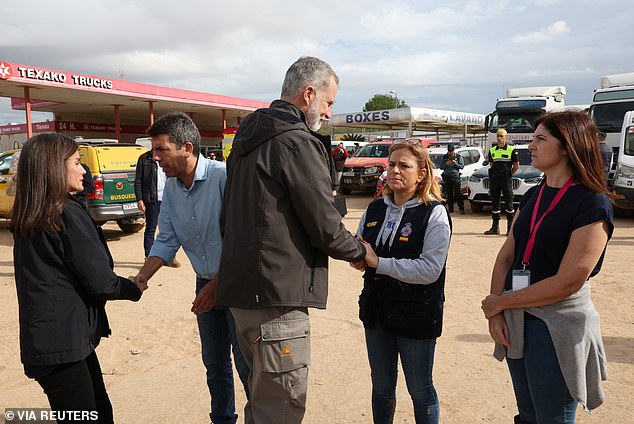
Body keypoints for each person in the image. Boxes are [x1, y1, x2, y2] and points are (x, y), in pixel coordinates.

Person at [216, 56, 366, 424]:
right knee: (281, 408)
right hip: (276, 299)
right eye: (329, 102)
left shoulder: (245, 140)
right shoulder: (297, 142)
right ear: (309, 93)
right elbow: (324, 225)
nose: (330, 112)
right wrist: (360, 250)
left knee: (262, 403)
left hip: (246, 296)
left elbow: (231, 215)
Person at [481, 111, 614, 424]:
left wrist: (499, 303)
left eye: (541, 139)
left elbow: (567, 282)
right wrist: (497, 313)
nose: (531, 146)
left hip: (556, 325)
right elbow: (506, 256)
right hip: (517, 319)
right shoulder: (532, 194)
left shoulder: (592, 203)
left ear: (567, 146)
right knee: (527, 416)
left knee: (552, 418)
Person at [11, 133, 145, 422]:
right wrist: (133, 287)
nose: (84, 170)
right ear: (54, 168)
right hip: (63, 346)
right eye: (77, 162)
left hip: (55, 342)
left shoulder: (33, 211)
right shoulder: (65, 213)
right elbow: (100, 281)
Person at [133, 112, 249, 424]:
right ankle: (223, 419)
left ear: (186, 147)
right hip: (206, 285)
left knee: (248, 365)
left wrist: (216, 287)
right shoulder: (171, 187)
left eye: (161, 150)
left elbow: (247, 241)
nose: (154, 157)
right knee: (214, 363)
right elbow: (167, 238)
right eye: (153, 150)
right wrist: (142, 276)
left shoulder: (225, 177)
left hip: (238, 287)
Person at [353, 141, 451, 424]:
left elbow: (430, 270)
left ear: (422, 174)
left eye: (404, 165)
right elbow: (363, 250)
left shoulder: (435, 213)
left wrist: (377, 263)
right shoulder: (374, 210)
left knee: (420, 390)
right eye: (391, 164)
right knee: (382, 389)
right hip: (376, 311)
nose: (394, 170)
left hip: (416, 314)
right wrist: (359, 258)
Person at [134, 148, 180, 267]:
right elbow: (138, 180)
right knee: (151, 228)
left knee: (170, 229)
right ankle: (148, 257)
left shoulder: (168, 156)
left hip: (168, 197)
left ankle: (170, 257)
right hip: (152, 199)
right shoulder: (144, 158)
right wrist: (139, 199)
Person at [484, 128, 519, 235]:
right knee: (495, 203)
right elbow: (491, 165)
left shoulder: (512, 150)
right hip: (495, 180)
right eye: (498, 136)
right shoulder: (492, 150)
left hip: (506, 180)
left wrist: (509, 174)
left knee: (509, 204)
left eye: (502, 136)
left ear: (505, 137)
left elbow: (516, 166)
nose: (499, 138)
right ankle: (495, 228)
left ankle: (510, 229)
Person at [440, 144, 464, 214]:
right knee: (449, 194)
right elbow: (441, 167)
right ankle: (450, 209)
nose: (450, 153)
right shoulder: (445, 157)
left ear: (453, 151)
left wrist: (455, 164)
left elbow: (462, 166)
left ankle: (461, 208)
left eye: (451, 151)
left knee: (457, 193)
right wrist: (447, 164)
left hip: (455, 177)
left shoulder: (458, 157)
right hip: (447, 177)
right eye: (449, 151)